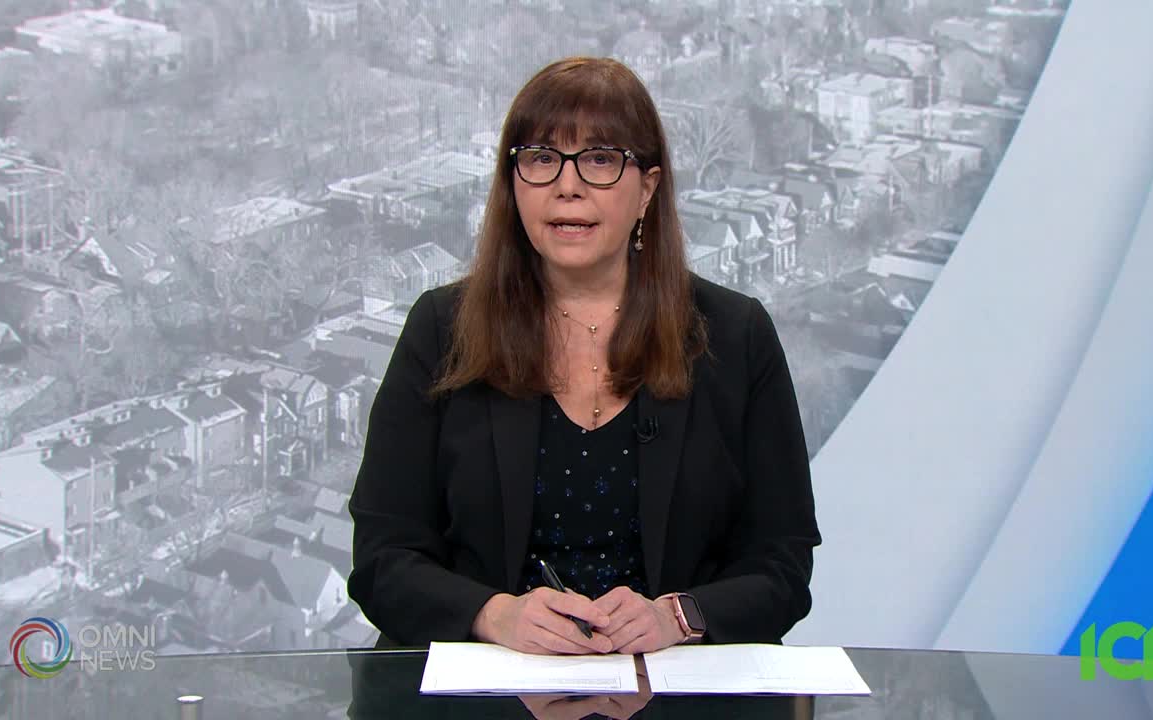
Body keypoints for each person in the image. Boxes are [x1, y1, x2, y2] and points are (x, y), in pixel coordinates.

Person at [347, 56, 820, 656]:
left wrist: (680, 617)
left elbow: (782, 562)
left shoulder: (735, 334)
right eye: (542, 159)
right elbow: (383, 557)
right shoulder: (441, 330)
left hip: (674, 691)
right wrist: (495, 616)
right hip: (485, 692)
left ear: (647, 188)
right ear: (513, 183)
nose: (567, 185)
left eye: (599, 159)